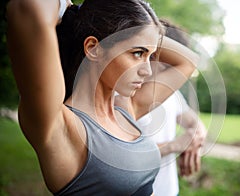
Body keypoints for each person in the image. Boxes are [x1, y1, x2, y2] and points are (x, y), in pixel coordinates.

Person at [6, 0, 199, 195]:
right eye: (138, 53)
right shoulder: (59, 126)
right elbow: (27, 7)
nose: (147, 70)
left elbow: (189, 61)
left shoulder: (126, 111)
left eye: (150, 55)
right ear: (93, 48)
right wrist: (68, 9)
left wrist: (147, 30)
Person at [115, 20, 207, 196]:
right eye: (170, 64)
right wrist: (174, 145)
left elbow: (191, 120)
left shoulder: (172, 94)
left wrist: (197, 135)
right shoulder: (121, 96)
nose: (174, 75)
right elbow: (120, 156)